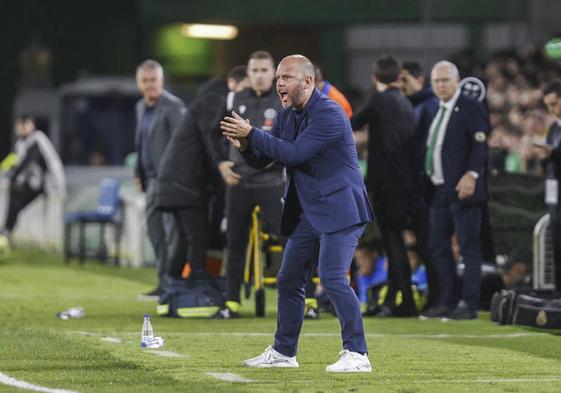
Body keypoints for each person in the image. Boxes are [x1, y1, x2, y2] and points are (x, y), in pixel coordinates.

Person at [221, 54, 373, 372]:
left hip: (340, 208)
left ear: (307, 81)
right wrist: (246, 146)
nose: (279, 83)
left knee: (332, 278)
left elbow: (295, 153)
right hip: (311, 210)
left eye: (286, 77)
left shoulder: (329, 112)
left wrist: (252, 134)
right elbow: (266, 159)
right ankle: (284, 352)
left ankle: (358, 354)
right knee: (289, 279)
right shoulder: (287, 115)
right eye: (278, 77)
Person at [420, 61, 490, 320]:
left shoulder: (470, 107)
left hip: (463, 188)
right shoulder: (438, 109)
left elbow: (480, 145)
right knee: (438, 245)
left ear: (456, 80)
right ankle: (447, 301)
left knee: (469, 246)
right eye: (436, 81)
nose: (440, 85)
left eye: (445, 81)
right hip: (440, 189)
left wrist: (471, 175)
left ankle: (468, 304)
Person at [217, 51, 284, 319]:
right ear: (248, 73)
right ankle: (230, 302)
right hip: (240, 180)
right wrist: (222, 163)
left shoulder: (283, 102)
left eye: (264, 70)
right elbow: (219, 135)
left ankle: (307, 301)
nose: (259, 75)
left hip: (272, 179)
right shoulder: (235, 99)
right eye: (254, 70)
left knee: (291, 239)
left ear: (273, 73)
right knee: (234, 241)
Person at [350, 55, 418, 317]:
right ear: (399, 76)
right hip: (407, 182)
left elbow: (352, 124)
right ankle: (394, 298)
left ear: (374, 77)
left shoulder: (378, 100)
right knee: (395, 241)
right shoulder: (405, 102)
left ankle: (404, 301)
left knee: (393, 242)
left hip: (386, 182)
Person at [155, 79, 241, 283]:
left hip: (175, 182)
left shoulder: (204, 102)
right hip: (185, 185)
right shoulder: (213, 101)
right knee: (196, 237)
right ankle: (197, 284)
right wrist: (221, 168)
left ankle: (170, 289)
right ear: (234, 83)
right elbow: (209, 140)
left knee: (185, 239)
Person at [134, 59, 186, 298]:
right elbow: (141, 143)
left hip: (170, 181)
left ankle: (172, 282)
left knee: (173, 232)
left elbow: (183, 143)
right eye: (145, 80)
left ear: (161, 81)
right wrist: (139, 173)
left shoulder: (173, 107)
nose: (149, 85)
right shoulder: (140, 107)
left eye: (153, 80)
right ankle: (163, 280)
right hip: (151, 181)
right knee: (155, 232)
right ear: (139, 83)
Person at [400, 61, 441, 309]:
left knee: (430, 245)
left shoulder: (429, 106)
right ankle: (433, 297)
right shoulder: (415, 106)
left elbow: (427, 150)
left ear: (419, 78)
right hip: (414, 187)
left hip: (426, 188)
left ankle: (439, 297)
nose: (401, 85)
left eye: (405, 79)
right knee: (423, 245)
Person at [0, 114, 65, 244]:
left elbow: (28, 161)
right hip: (31, 183)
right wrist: (5, 174)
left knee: (15, 200)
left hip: (47, 184)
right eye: (20, 125)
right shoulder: (20, 144)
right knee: (14, 202)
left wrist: (14, 178)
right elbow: (13, 162)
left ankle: (6, 231)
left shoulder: (37, 138)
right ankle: (6, 232)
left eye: (25, 124)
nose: (22, 128)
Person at [534, 79, 561, 290]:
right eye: (548, 105)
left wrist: (553, 152)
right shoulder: (553, 128)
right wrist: (544, 156)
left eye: (554, 103)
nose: (551, 109)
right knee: (557, 245)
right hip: (554, 197)